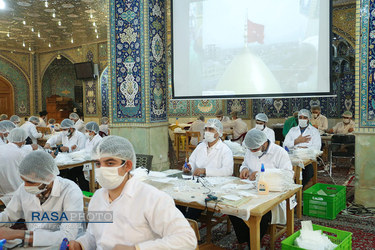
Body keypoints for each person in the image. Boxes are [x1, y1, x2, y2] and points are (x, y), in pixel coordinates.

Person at [69, 136, 197, 250]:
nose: (102, 169)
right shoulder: (98, 198)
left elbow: (186, 239)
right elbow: (94, 236)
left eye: (110, 163)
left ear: (128, 165)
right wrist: (81, 244)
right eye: (98, 163)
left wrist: (137, 248)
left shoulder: (151, 198)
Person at [0, 151, 84, 247]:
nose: (26, 186)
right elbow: (9, 215)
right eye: (23, 181)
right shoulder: (23, 189)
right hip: (32, 243)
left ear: (48, 177)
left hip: (63, 246)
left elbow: (68, 235)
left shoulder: (70, 191)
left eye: (31, 182)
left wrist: (20, 234)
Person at [231, 129, 293, 248]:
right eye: (250, 149)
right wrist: (243, 169)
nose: (252, 152)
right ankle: (246, 237)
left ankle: (253, 243)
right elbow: (245, 164)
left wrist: (261, 175)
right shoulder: (251, 150)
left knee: (259, 214)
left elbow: (288, 176)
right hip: (251, 190)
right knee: (233, 209)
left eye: (255, 149)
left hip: (272, 193)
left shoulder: (279, 153)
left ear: (264, 143)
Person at [181, 119, 233, 220]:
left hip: (213, 187)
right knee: (178, 200)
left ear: (219, 132)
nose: (207, 132)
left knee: (194, 206)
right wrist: (189, 166)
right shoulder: (201, 146)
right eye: (206, 129)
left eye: (211, 129)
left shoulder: (225, 150)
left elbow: (228, 170)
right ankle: (179, 222)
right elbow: (192, 161)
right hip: (196, 182)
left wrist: (205, 171)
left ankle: (188, 226)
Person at [45, 119, 88, 191]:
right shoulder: (64, 134)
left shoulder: (80, 136)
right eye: (63, 129)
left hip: (78, 162)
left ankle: (83, 194)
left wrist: (69, 149)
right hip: (67, 161)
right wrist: (48, 143)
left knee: (80, 180)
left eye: (65, 129)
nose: (63, 131)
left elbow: (82, 151)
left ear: (71, 128)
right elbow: (55, 138)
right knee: (65, 177)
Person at [283, 109, 321, 186]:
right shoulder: (292, 130)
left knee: (308, 173)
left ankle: (299, 190)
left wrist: (304, 150)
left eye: (305, 117)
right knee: (285, 171)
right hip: (292, 157)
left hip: (306, 158)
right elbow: (285, 145)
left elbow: (317, 147)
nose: (302, 119)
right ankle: (290, 188)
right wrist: (296, 141)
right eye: (300, 117)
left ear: (309, 119)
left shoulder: (314, 131)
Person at [0, 128, 30, 206]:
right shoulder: (21, 153)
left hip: (2, 192)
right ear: (22, 141)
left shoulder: (1, 148)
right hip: (17, 191)